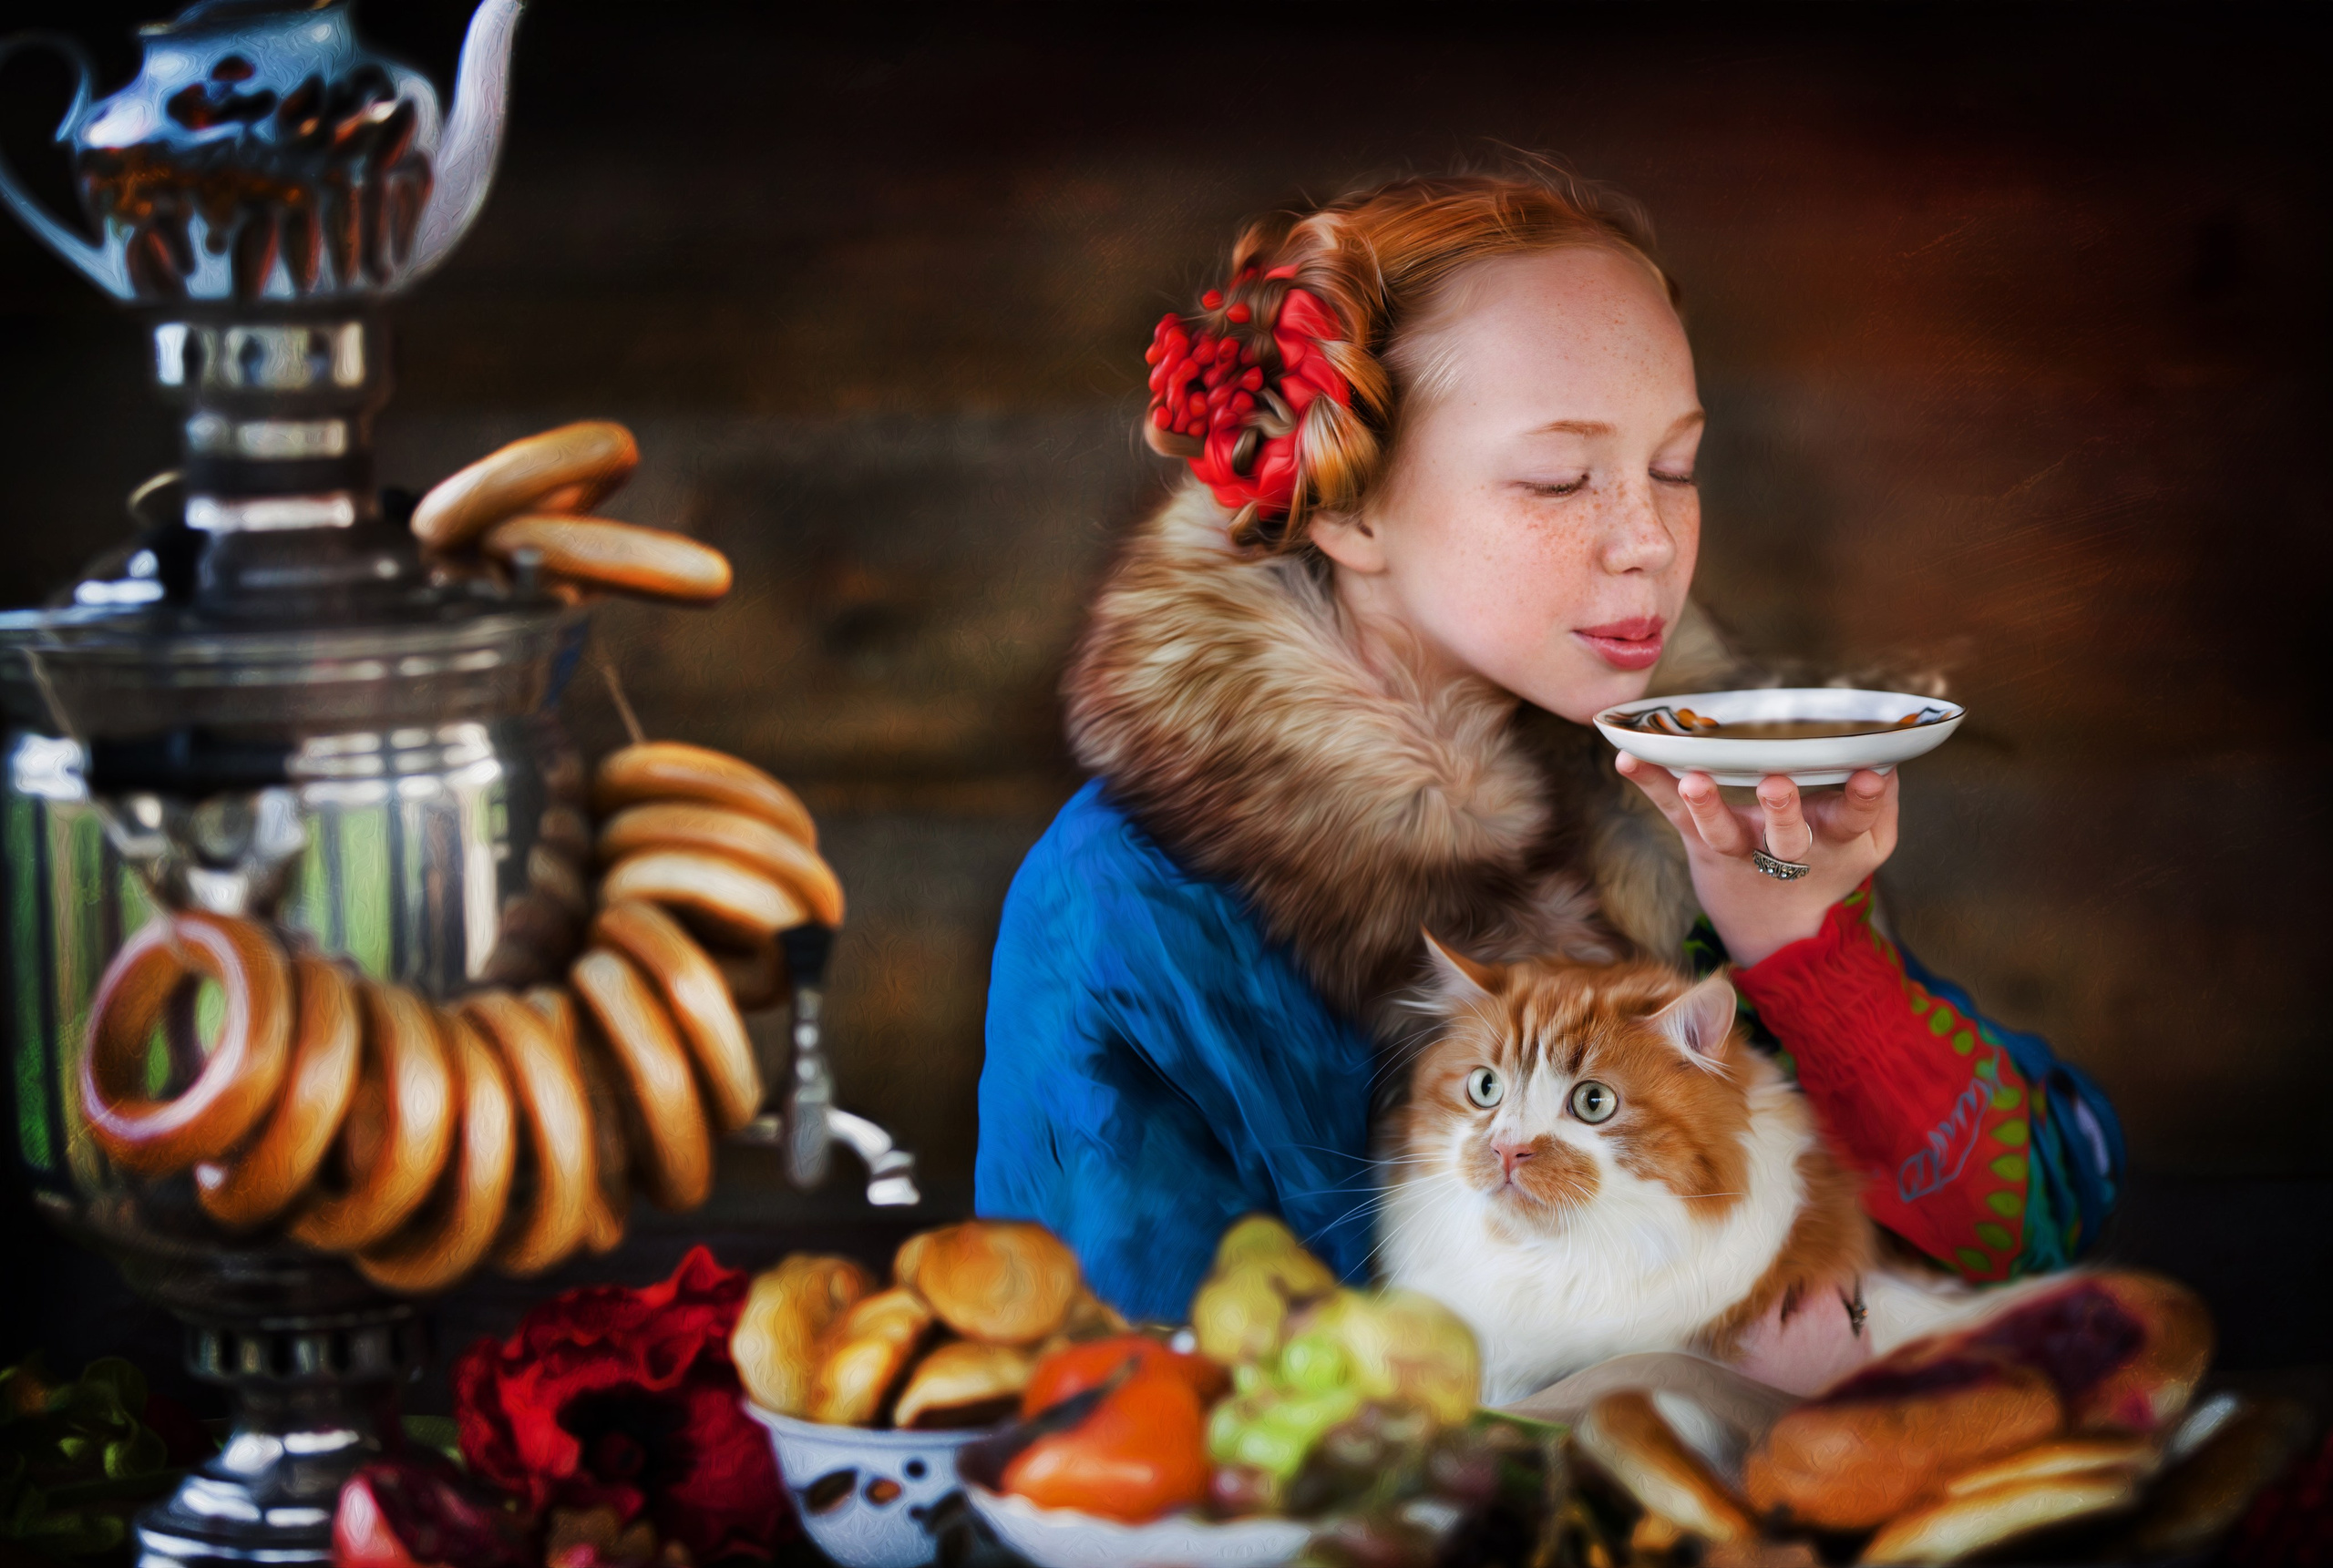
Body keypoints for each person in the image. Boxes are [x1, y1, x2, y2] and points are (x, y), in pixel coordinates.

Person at [975, 164, 2122, 1326]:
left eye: (1674, 467)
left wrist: (1805, 953)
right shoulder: (1117, 906)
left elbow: (2032, 1221)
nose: (1648, 542)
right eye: (1560, 476)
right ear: (1347, 509)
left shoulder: (1687, 814)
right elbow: (1130, 1412)